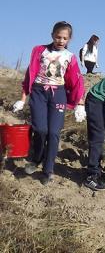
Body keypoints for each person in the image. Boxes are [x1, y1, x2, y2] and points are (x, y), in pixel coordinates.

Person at [12, 21, 86, 185]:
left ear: (69, 39)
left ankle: (48, 170)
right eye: (58, 37)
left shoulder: (70, 57)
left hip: (58, 94)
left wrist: (80, 103)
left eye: (64, 38)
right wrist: (23, 99)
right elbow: (29, 76)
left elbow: (77, 81)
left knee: (53, 133)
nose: (61, 41)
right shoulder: (40, 51)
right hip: (38, 92)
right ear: (52, 35)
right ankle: (36, 158)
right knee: (40, 129)